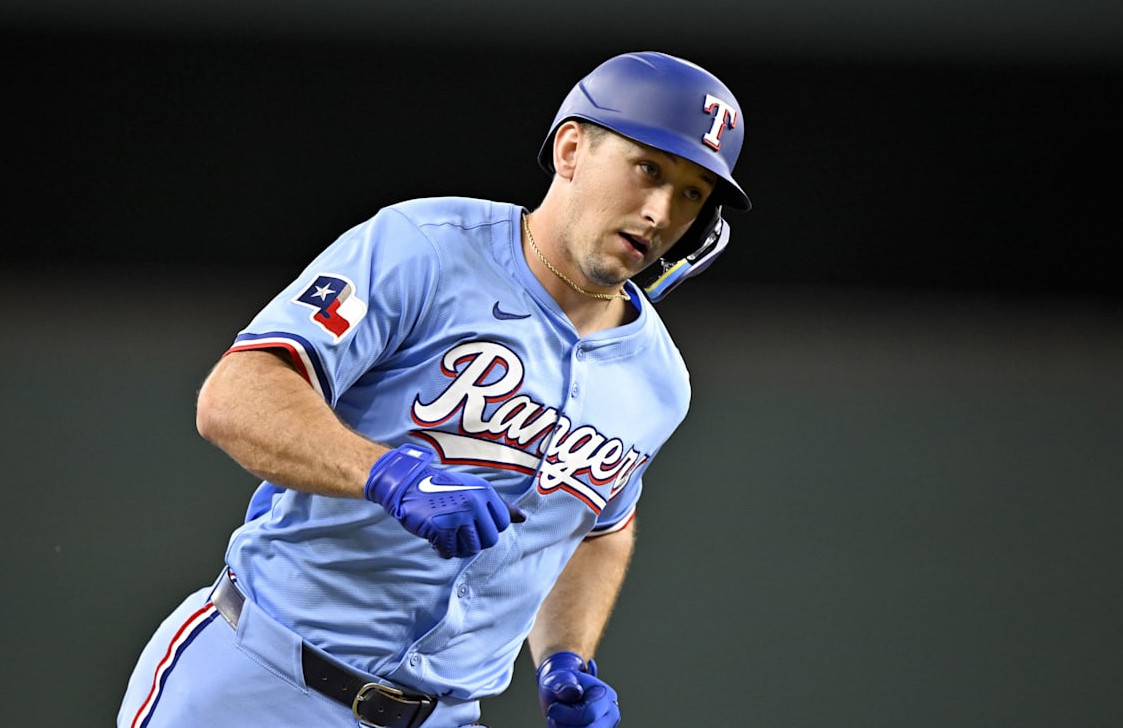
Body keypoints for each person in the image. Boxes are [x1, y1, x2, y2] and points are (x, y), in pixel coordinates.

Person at [117, 51, 752, 728]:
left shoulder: (658, 381)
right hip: (259, 683)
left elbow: (598, 527)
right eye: (648, 169)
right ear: (572, 148)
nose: (661, 210)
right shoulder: (426, 248)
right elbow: (235, 396)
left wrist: (568, 657)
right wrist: (385, 474)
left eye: (691, 194)